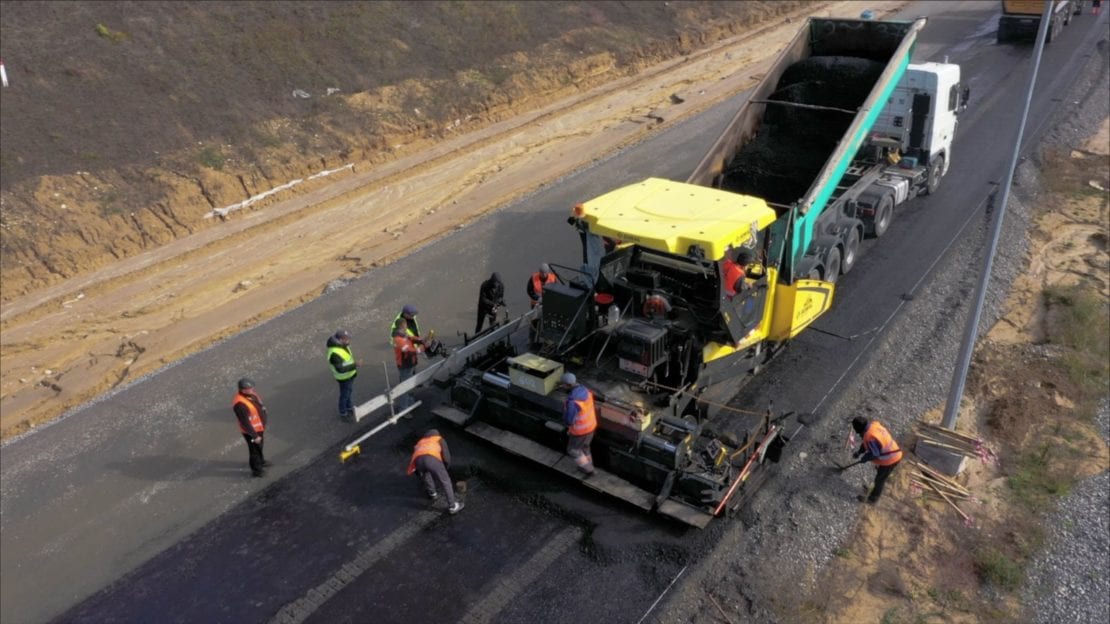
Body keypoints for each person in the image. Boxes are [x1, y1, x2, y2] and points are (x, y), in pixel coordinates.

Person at [407, 429, 463, 514]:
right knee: (446, 481)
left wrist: (419, 473)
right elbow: (446, 457)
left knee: (426, 474)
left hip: (418, 461)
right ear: (436, 434)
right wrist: (445, 468)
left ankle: (432, 494)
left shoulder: (421, 442)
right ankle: (453, 506)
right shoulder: (438, 439)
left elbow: (416, 456)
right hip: (431, 459)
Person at [851, 416, 904, 504]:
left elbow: (874, 453)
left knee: (880, 479)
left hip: (891, 459)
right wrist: (859, 452)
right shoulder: (873, 427)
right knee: (879, 476)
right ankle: (873, 491)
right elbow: (866, 443)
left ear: (859, 429)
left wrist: (865, 458)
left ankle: (873, 499)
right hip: (894, 452)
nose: (858, 434)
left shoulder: (870, 436)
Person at [560, 372, 597, 476]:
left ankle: (589, 470)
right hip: (591, 426)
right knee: (585, 447)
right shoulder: (585, 390)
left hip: (580, 430)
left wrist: (567, 425)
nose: (561, 386)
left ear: (569, 385)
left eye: (562, 384)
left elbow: (569, 420)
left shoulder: (573, 401)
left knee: (573, 450)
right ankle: (589, 464)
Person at [232, 377, 268, 478]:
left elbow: (257, 403)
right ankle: (257, 470)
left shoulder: (251, 394)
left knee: (259, 446)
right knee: (254, 451)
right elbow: (245, 423)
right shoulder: (240, 405)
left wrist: (263, 409)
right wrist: (254, 436)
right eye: (250, 388)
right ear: (243, 389)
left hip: (259, 428)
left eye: (252, 387)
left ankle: (261, 461)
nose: (252, 389)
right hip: (252, 432)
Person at [327, 329, 361, 421]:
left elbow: (346, 360)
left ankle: (349, 407)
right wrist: (355, 365)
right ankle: (343, 413)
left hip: (349, 375)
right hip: (344, 377)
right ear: (340, 339)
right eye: (347, 339)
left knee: (348, 392)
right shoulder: (334, 353)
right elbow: (340, 369)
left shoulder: (343, 346)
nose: (349, 341)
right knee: (344, 395)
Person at [393, 318, 424, 411]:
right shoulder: (398, 339)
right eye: (406, 325)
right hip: (405, 365)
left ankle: (409, 401)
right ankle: (403, 408)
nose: (407, 327)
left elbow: (411, 339)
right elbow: (409, 351)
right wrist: (421, 348)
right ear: (403, 326)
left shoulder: (403, 335)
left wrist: (422, 340)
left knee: (408, 385)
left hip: (410, 363)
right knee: (405, 387)